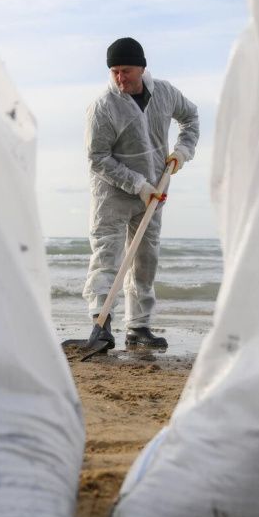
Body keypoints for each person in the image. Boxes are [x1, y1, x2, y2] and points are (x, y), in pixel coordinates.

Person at [82, 37, 200, 350]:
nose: (120, 78)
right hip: (112, 193)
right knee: (107, 255)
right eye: (115, 72)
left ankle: (138, 327)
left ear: (142, 68)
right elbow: (97, 158)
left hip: (155, 190)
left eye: (126, 71)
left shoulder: (165, 93)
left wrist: (182, 152)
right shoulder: (103, 107)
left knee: (145, 259)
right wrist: (138, 185)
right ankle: (101, 324)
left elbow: (191, 118)